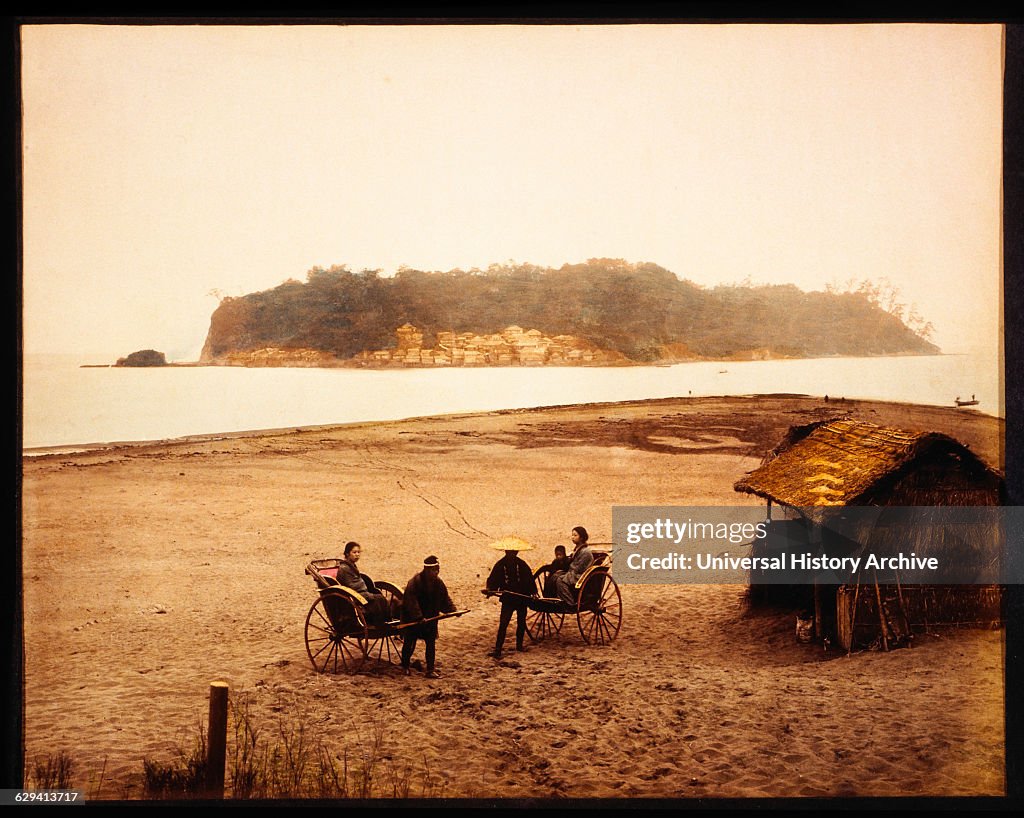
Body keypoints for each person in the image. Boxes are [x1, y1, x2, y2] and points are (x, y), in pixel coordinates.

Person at [400, 555, 457, 678]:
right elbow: (411, 602)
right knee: (409, 643)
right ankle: (405, 666)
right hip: (413, 619)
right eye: (433, 570)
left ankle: (430, 670)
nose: (436, 572)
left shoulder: (438, 582)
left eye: (437, 569)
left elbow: (444, 598)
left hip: (430, 618)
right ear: (426, 570)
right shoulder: (415, 582)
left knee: (431, 644)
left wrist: (452, 610)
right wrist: (418, 617)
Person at [484, 546, 536, 659]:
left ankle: (519, 645)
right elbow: (492, 579)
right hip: (508, 599)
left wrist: (533, 592)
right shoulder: (500, 565)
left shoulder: (522, 564)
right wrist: (489, 590)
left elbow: (530, 579)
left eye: (513, 552)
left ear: (516, 552)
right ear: (506, 552)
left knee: (521, 622)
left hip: (522, 598)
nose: (512, 554)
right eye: (510, 552)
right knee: (503, 623)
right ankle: (498, 649)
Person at [335, 541, 391, 625]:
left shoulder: (351, 566)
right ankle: (377, 622)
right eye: (354, 552)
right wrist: (364, 590)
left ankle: (384, 620)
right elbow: (351, 584)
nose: (357, 554)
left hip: (360, 593)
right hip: (354, 595)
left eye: (358, 552)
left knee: (380, 597)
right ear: (347, 554)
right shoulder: (344, 568)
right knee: (379, 598)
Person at [554, 526, 594, 607]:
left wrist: (569, 565)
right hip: (574, 572)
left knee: (560, 580)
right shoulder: (577, 549)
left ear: (582, 537)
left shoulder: (586, 552)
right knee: (555, 576)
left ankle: (569, 602)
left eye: (575, 535)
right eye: (572, 535)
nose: (572, 537)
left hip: (580, 575)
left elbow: (579, 567)